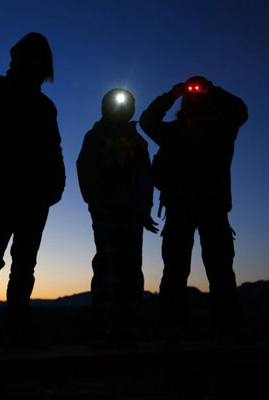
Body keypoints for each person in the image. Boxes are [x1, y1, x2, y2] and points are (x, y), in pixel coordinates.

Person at [0, 32, 65, 348]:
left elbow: (55, 148)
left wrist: (55, 186)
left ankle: (16, 333)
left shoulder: (45, 106)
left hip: (36, 198)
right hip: (4, 190)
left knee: (24, 266)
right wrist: (9, 166)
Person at [139, 76, 248, 343]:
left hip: (212, 207)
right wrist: (172, 93)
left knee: (220, 269)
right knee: (176, 269)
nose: (195, 94)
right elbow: (147, 121)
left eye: (200, 91)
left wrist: (214, 90)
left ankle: (226, 328)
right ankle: (172, 328)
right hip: (179, 207)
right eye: (191, 91)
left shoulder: (222, 127)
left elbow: (240, 111)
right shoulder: (174, 131)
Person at [77, 88, 158, 345]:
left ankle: (129, 328)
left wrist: (144, 209)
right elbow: (85, 168)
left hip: (132, 213)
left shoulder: (137, 140)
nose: (124, 109)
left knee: (132, 270)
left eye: (128, 105)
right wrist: (95, 202)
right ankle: (105, 329)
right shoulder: (96, 136)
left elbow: (146, 175)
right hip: (107, 211)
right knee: (108, 269)